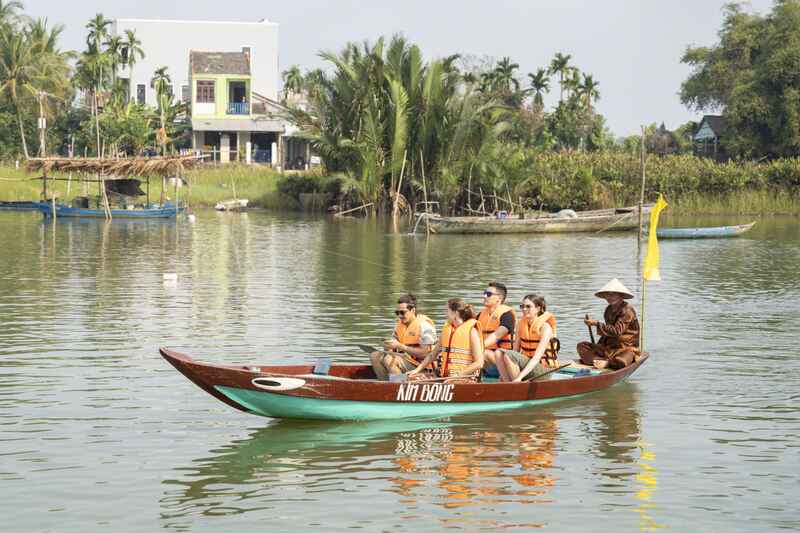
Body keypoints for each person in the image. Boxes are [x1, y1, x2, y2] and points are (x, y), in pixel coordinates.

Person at [409, 298, 484, 381]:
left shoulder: (471, 331)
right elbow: (432, 355)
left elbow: (479, 363)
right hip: (445, 377)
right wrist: (417, 370)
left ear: (455, 313)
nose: (445, 314)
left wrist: (457, 376)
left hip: (464, 378)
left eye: (447, 310)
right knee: (412, 378)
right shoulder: (447, 331)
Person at [370, 294, 437, 379]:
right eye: (397, 313)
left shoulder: (425, 326)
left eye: (402, 312)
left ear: (412, 310)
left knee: (389, 359)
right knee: (375, 355)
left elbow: (425, 354)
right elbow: (393, 346)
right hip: (407, 361)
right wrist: (388, 347)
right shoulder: (400, 325)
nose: (399, 316)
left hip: (424, 368)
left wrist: (400, 346)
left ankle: (400, 387)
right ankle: (386, 385)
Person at [577, 278, 640, 369]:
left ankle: (606, 363)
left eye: (613, 294)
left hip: (625, 348)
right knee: (582, 346)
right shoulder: (608, 310)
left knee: (622, 360)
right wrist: (598, 346)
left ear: (621, 296)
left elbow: (617, 331)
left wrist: (596, 324)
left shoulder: (627, 310)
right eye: (607, 294)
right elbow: (608, 332)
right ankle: (600, 360)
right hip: (609, 348)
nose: (609, 297)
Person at [496, 294, 559, 382]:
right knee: (498, 352)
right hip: (528, 366)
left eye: (528, 306)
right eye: (522, 306)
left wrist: (519, 377)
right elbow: (515, 351)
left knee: (509, 356)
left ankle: (517, 386)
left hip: (544, 370)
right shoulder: (520, 325)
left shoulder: (545, 328)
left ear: (538, 309)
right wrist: (504, 374)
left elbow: (537, 357)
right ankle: (507, 384)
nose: (524, 309)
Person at [477, 282, 516, 372]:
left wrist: (476, 348)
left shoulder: (507, 315)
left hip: (502, 359)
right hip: (484, 357)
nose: (484, 296)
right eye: (484, 293)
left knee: (483, 353)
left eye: (489, 294)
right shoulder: (480, 315)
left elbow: (496, 336)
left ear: (499, 298)